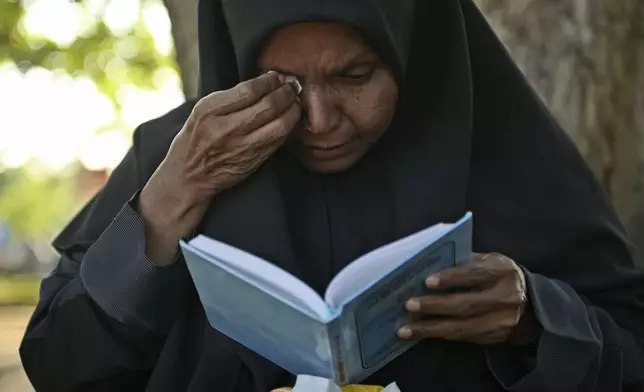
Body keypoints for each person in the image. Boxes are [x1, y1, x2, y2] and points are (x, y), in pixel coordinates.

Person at [20, 0, 644, 391]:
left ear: (413, 55)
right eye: (282, 83)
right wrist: (167, 203)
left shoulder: (512, 159)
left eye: (354, 76)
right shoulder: (181, 156)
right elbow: (59, 368)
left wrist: (537, 321)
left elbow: (630, 349)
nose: (318, 121)